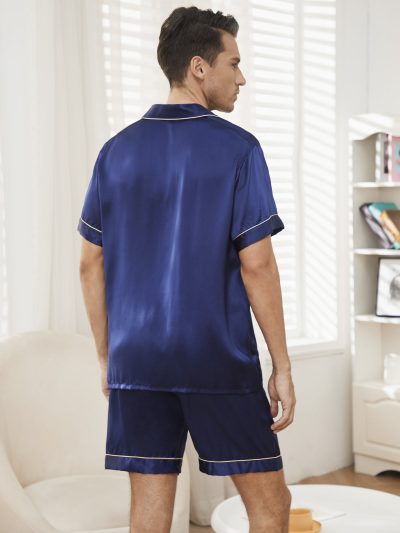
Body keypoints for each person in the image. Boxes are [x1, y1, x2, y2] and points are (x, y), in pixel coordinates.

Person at [78, 5, 296, 533]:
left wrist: (107, 355)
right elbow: (257, 265)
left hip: (137, 360)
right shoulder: (239, 149)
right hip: (214, 356)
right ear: (199, 67)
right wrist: (282, 365)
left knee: (150, 510)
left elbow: (90, 263)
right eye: (234, 63)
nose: (241, 78)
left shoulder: (115, 152)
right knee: (270, 505)